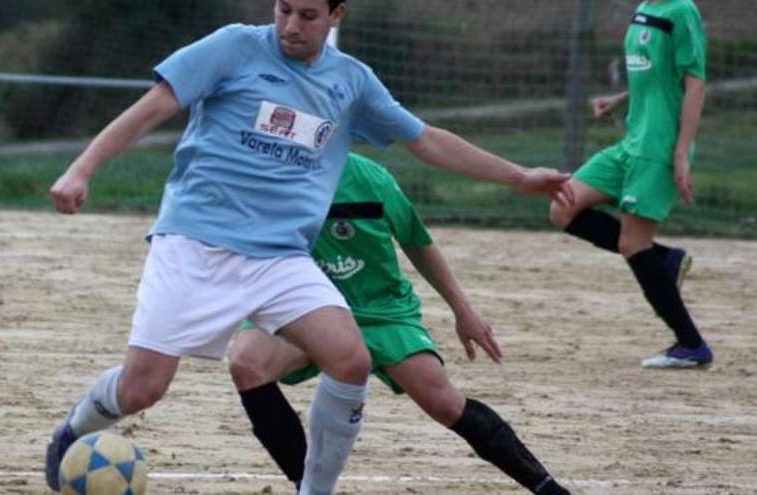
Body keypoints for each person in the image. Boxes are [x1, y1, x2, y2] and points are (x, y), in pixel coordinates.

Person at [44, 0, 574, 493]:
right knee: (142, 389)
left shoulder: (351, 82)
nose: (292, 26)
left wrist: (518, 177)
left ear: (336, 15)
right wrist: (81, 169)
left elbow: (426, 139)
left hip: (280, 257)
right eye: (283, 9)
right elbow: (151, 108)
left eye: (308, 15)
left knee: (349, 359)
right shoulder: (233, 47)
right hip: (195, 244)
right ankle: (72, 433)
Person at [230, 153, 571, 495]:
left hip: (380, 310)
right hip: (306, 309)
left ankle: (548, 488)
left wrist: (463, 309)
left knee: (444, 403)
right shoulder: (267, 178)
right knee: (248, 362)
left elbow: (417, 242)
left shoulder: (371, 179)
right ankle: (307, 486)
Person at [549, 0, 713, 369]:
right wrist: (619, 99)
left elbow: (695, 83)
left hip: (658, 145)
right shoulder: (646, 7)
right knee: (563, 206)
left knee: (631, 243)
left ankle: (691, 345)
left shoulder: (681, 11)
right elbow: (657, 76)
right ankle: (663, 260)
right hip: (632, 141)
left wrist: (681, 152)